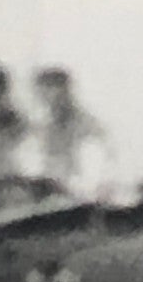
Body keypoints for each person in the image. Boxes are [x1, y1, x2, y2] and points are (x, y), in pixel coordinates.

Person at [17, 66, 113, 199]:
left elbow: (93, 184)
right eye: (45, 94)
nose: (51, 100)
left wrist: (60, 184)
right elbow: (31, 171)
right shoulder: (41, 133)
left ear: (68, 92)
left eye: (54, 90)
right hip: (48, 204)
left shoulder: (89, 129)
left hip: (82, 206)